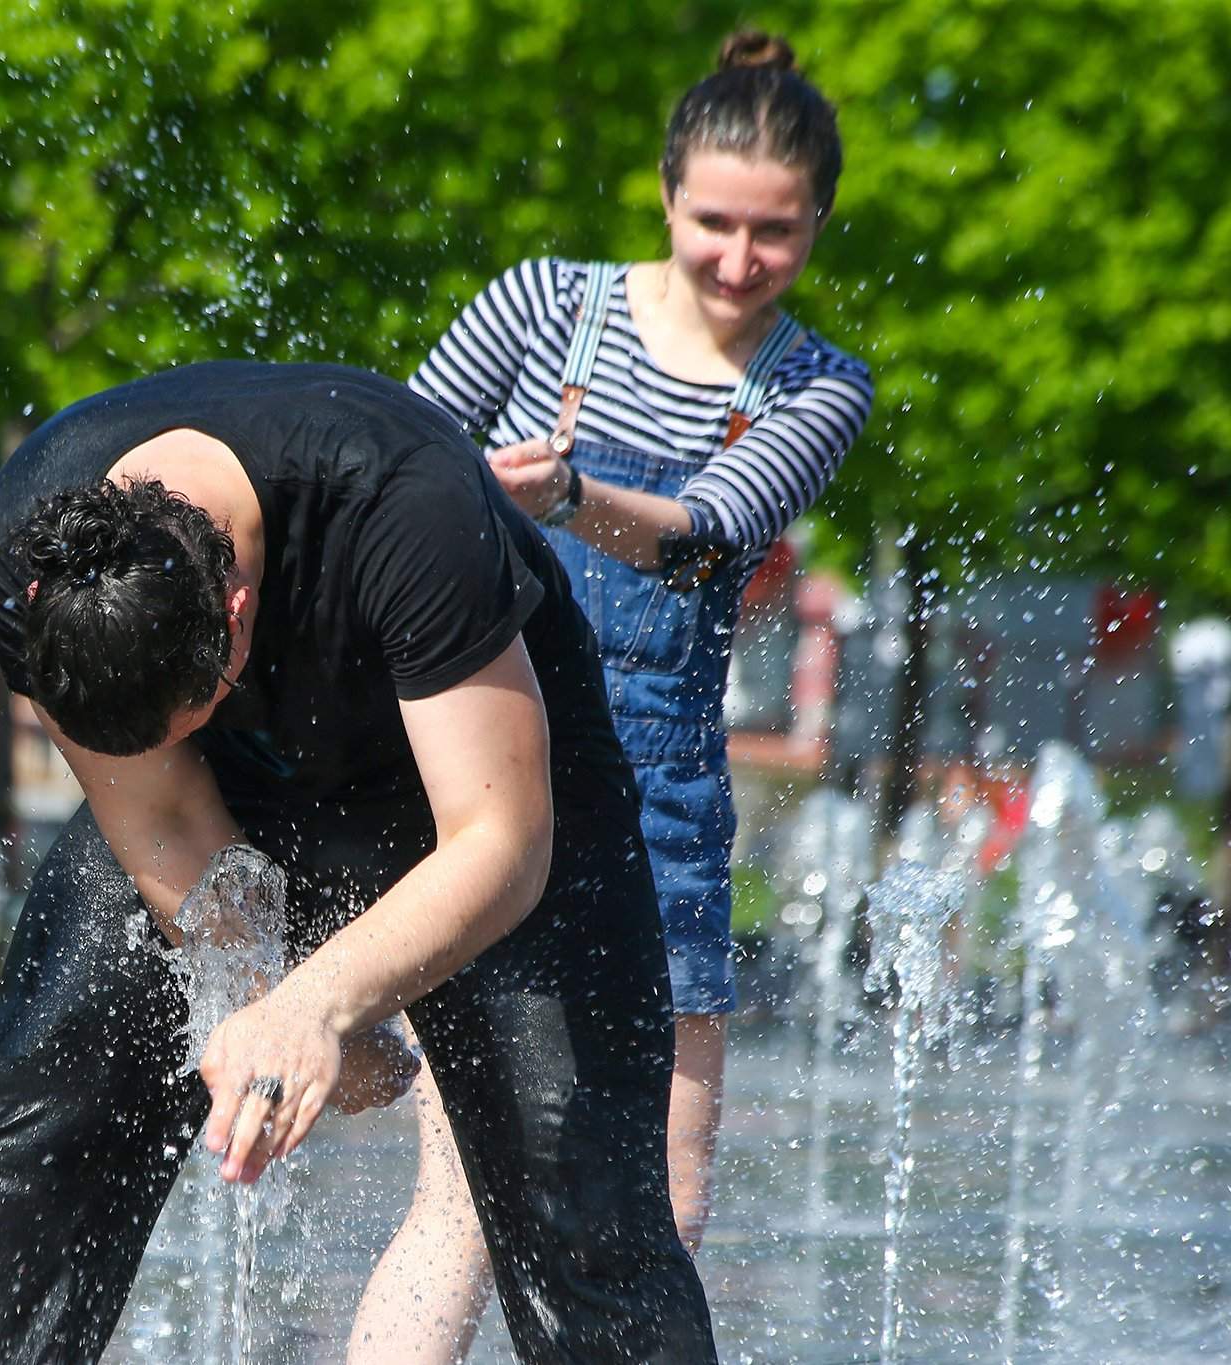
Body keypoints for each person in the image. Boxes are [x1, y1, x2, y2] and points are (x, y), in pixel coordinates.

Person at [0, 361, 716, 1363]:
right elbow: (160, 819)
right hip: (234, 794)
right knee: (28, 1115)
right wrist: (257, 988)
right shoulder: (25, 546)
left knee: (576, 1189)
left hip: (487, 787)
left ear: (238, 614)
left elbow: (500, 842)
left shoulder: (401, 505)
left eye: (179, 717)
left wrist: (313, 1005)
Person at [353, 29, 874, 1358]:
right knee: (461, 1195)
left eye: (778, 234)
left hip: (666, 811)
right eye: (714, 223)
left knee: (666, 1197)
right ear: (664, 193)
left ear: (819, 222)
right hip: (481, 785)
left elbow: (709, 530)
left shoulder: (817, 385)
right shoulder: (542, 303)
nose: (741, 261)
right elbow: (387, 463)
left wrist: (568, 494)